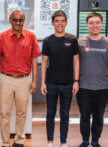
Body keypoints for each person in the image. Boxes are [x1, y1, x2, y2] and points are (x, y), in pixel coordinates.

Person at [0, 10, 41, 147]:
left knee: (22, 112)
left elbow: (34, 60)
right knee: (4, 113)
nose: (18, 23)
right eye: (15, 20)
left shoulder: (31, 36)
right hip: (6, 78)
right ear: (10, 20)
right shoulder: (2, 37)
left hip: (24, 79)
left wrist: (35, 81)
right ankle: (5, 142)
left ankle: (20, 140)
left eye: (20, 20)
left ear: (23, 21)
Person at [40, 10, 80, 147]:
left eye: (63, 21)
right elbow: (44, 62)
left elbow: (76, 61)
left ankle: (63, 142)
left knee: (65, 114)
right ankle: (50, 141)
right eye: (57, 21)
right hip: (51, 83)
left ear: (66, 22)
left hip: (68, 84)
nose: (60, 23)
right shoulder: (47, 41)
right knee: (50, 113)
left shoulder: (72, 39)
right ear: (52, 23)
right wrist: (42, 83)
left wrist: (76, 81)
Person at [77, 12, 108, 147]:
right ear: (87, 25)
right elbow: (75, 64)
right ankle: (85, 140)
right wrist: (75, 82)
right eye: (91, 23)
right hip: (84, 87)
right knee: (85, 116)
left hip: (102, 87)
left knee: (99, 117)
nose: (94, 25)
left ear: (101, 24)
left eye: (97, 22)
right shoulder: (79, 42)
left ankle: (95, 141)